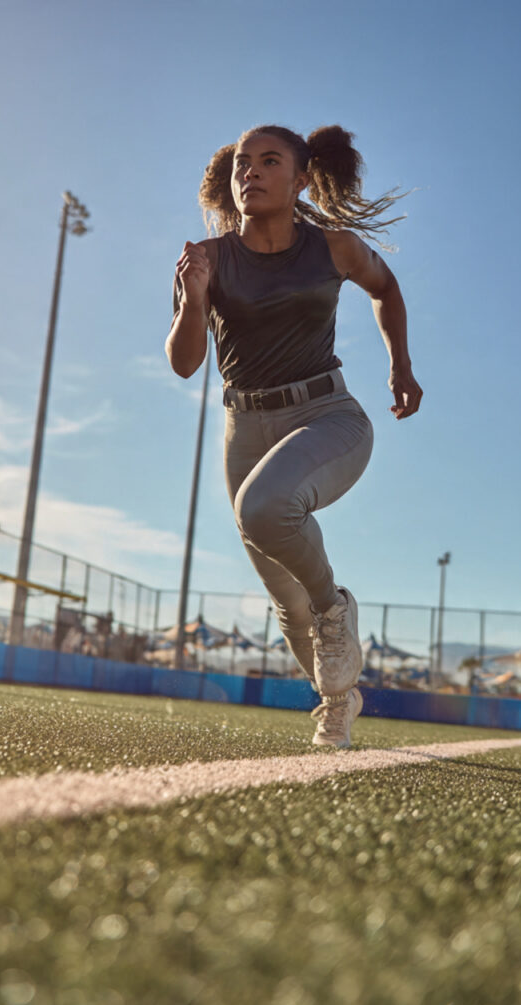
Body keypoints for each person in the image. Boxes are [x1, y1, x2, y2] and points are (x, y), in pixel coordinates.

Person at [165, 124, 422, 748]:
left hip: (328, 416)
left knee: (265, 509)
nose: (250, 172)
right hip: (244, 426)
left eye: (268, 161)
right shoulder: (209, 257)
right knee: (283, 598)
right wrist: (193, 301)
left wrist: (401, 365)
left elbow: (385, 289)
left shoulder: (335, 247)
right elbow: (183, 362)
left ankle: (334, 606)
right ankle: (337, 701)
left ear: (301, 177)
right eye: (242, 165)